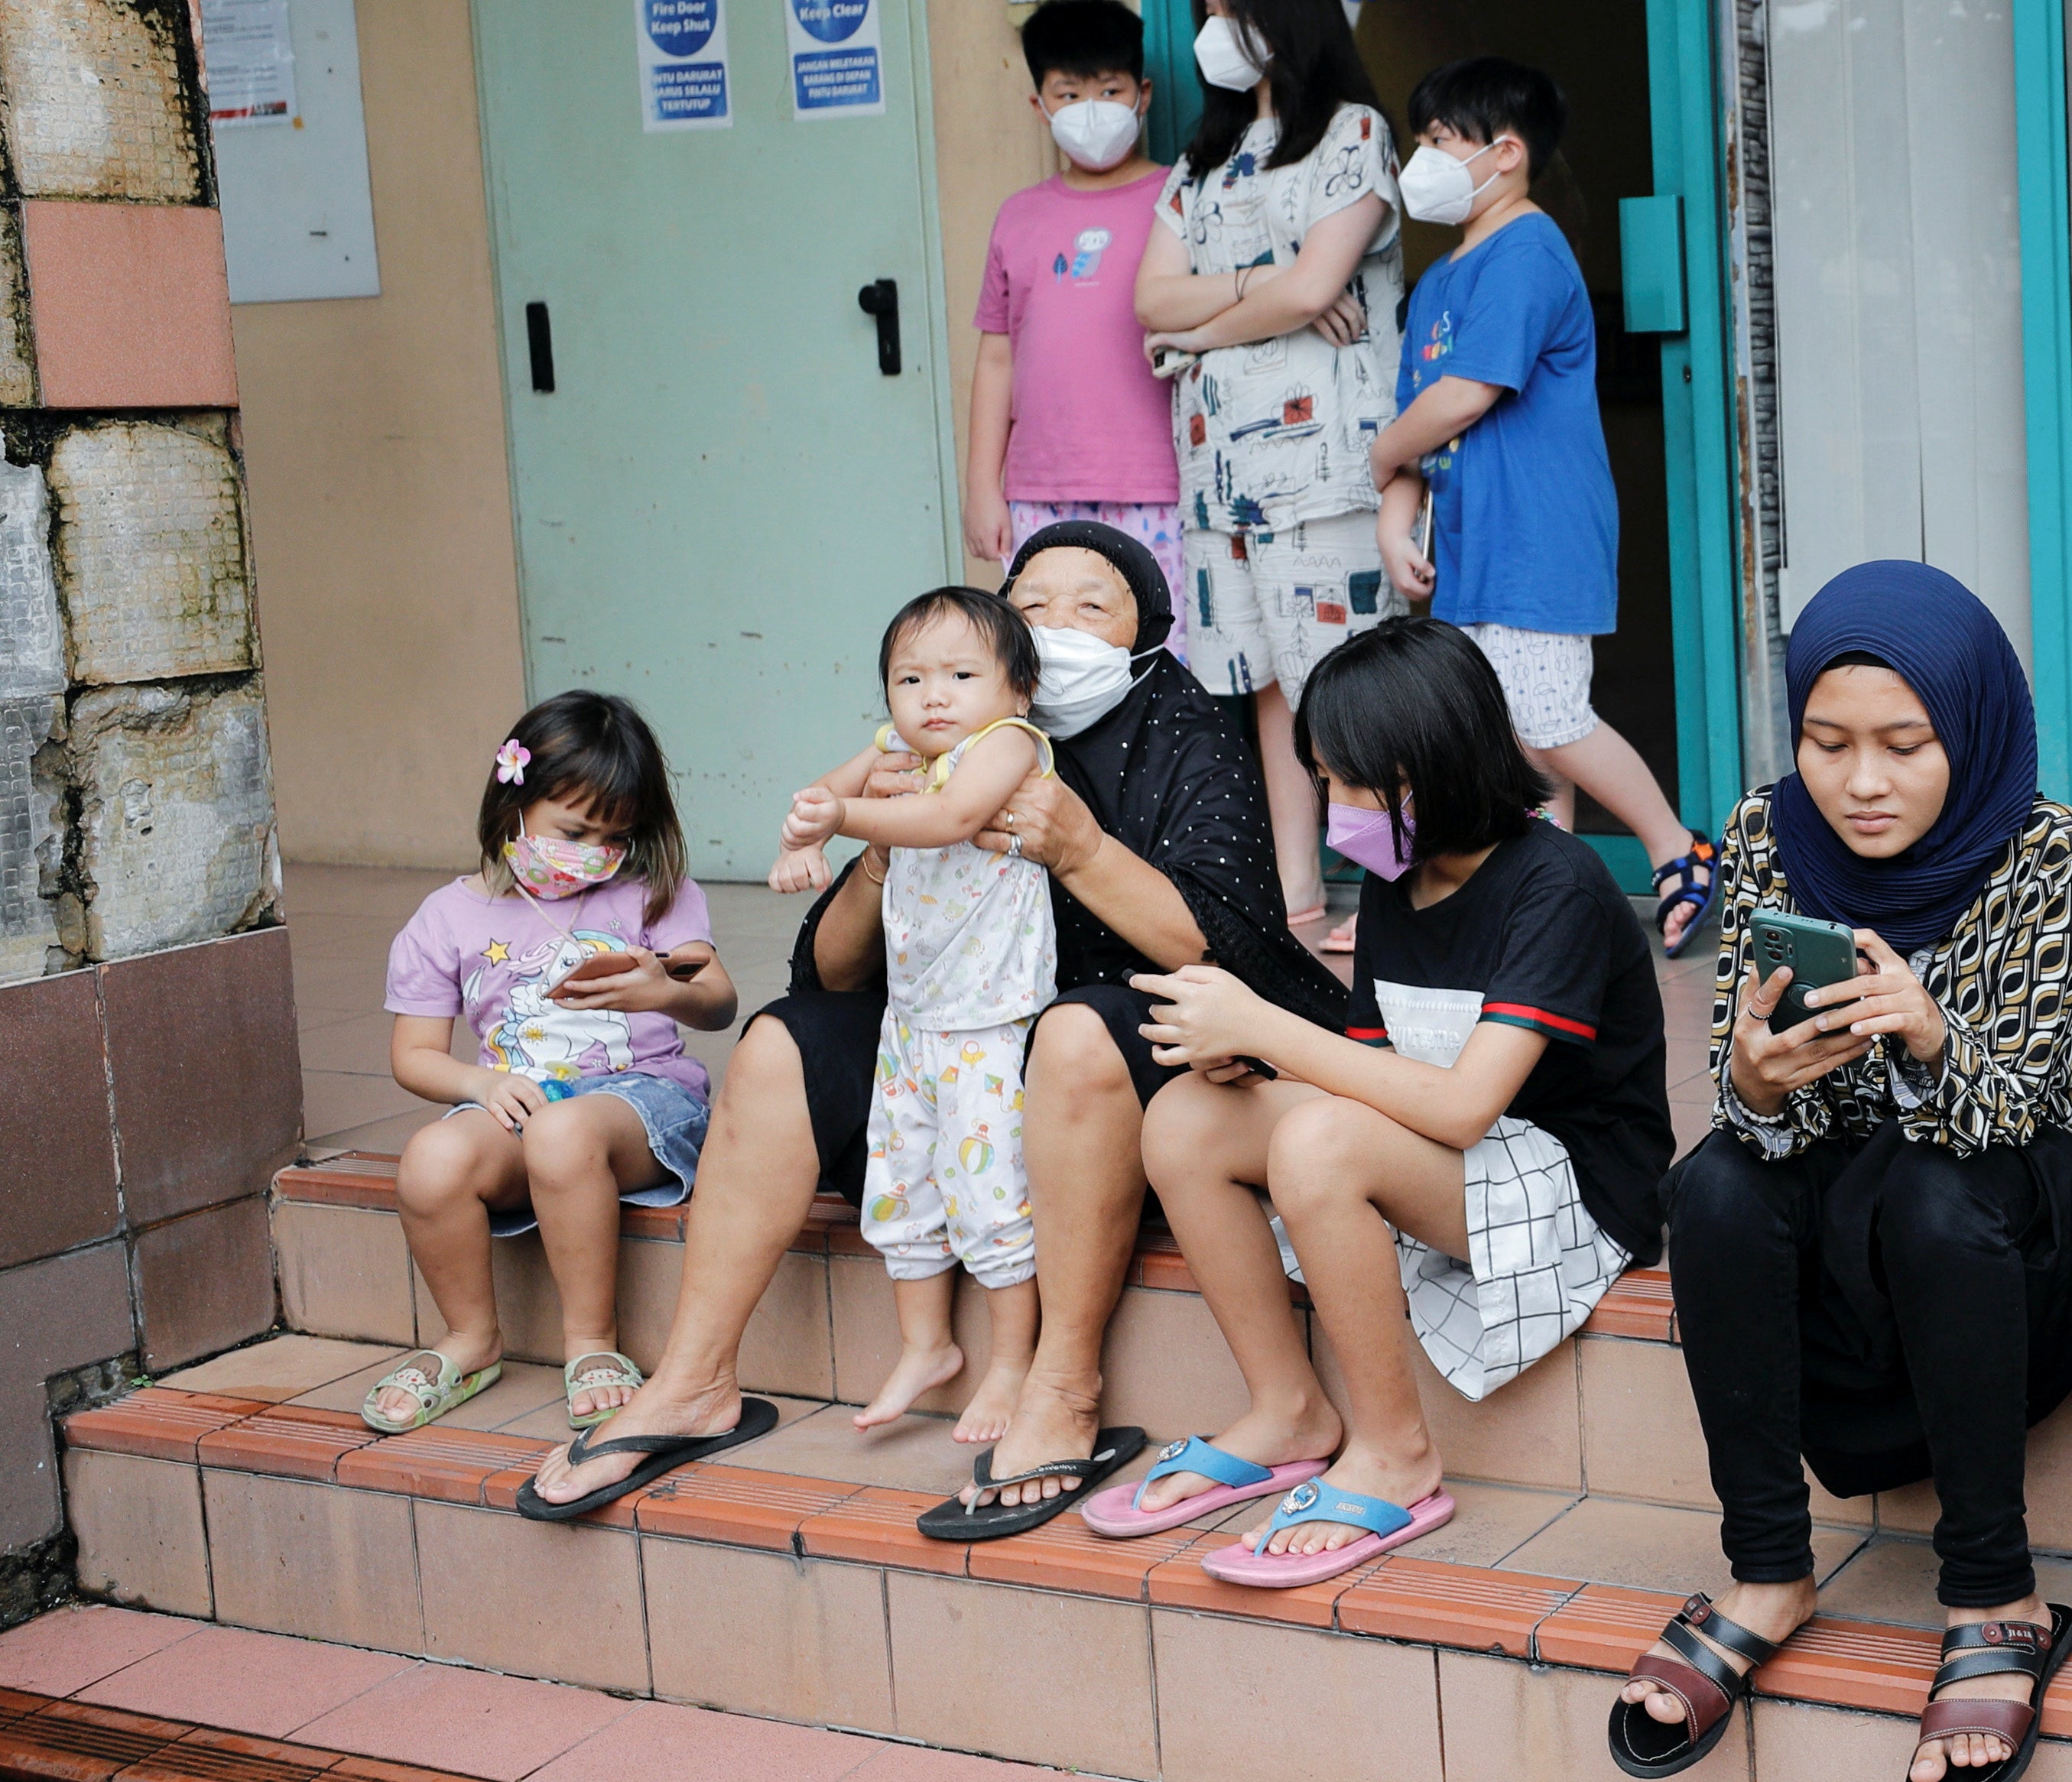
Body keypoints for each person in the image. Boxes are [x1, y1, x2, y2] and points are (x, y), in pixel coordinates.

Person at [520, 526, 1349, 1530]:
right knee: (784, 1040)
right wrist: (877, 855)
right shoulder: (945, 728)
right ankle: (694, 1381)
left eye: (1093, 605)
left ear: (1147, 633)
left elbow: (1221, 945)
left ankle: (1064, 1388)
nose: (1056, 625)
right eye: (1032, 605)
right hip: (957, 1044)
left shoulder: (1189, 730)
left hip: (1134, 1029)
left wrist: (1081, 850)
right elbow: (827, 971)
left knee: (1075, 1033)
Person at [1610, 562, 2072, 1782]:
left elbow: (2015, 1106)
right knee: (1711, 1183)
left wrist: (1928, 1032)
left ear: (1967, 729)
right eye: (1827, 742)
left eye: (1903, 742)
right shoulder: (1767, 835)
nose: (1861, 782)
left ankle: (1995, 1589)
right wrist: (1763, 1082)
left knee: (1934, 1189)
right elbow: (1753, 1101)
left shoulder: (2045, 845)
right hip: (1870, 1180)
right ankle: (1767, 1568)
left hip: (2054, 1178)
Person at [1101, 618, 1668, 1578]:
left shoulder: (1555, 884)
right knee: (1188, 1118)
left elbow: (1458, 1108)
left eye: (1355, 781)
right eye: (1324, 778)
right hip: (1463, 1169)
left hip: (1573, 1191)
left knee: (1320, 1143)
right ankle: (1288, 1406)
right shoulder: (1396, 881)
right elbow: (1371, 1071)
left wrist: (1270, 1028)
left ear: (1437, 764)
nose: (1336, 807)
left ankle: (1398, 1451)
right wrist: (1252, 1062)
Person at [1372, 55, 1714, 955]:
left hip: (1538, 533)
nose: (1423, 159)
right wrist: (1391, 515)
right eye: (1422, 140)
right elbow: (1419, 413)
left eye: (1440, 140)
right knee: (1509, 737)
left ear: (1506, 152)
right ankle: (1547, 907)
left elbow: (1462, 396)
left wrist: (1375, 459)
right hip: (1471, 543)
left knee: (1548, 718)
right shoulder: (1441, 279)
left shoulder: (1528, 248)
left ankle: (1677, 847)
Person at [1135, 0, 1409, 949]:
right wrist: (1268, 292)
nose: (1212, 33)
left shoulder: (1353, 135)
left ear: (1281, 17)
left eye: (1229, 10)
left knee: (1352, 685)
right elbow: (1148, 298)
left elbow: (1310, 285)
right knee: (1264, 690)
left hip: (1327, 471)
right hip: (1217, 476)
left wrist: (1200, 327)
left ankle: (1394, 892)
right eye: (1204, 10)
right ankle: (1300, 895)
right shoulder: (1199, 162)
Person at [367, 693, 732, 1440]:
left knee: (563, 1133)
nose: (592, 851)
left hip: (642, 1103)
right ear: (514, 800)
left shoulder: (650, 896)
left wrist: (665, 988)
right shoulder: (447, 917)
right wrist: (483, 1082)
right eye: (573, 830)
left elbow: (719, 1001)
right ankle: (471, 1339)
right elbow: (414, 1055)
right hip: (521, 1100)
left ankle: (590, 1340)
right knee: (433, 1156)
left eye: (613, 836)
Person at [766, 589, 1060, 1440]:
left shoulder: (1008, 746)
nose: (934, 696)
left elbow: (949, 817)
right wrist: (805, 835)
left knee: (992, 1193)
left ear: (1018, 690)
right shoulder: (897, 747)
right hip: (913, 1022)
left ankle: (1011, 1364)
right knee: (905, 1185)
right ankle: (926, 1342)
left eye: (962, 674)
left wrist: (848, 818)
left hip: (990, 1023)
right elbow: (826, 789)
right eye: (910, 677)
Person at [965, 0, 1187, 660]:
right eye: (1068, 93)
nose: (1091, 110)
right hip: (1040, 490)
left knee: (1157, 665)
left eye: (1110, 89)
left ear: (1142, 94)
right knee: (1048, 668)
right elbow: (996, 358)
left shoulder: (1180, 196)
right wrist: (983, 486)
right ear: (1038, 104)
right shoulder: (1018, 216)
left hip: (1161, 488)